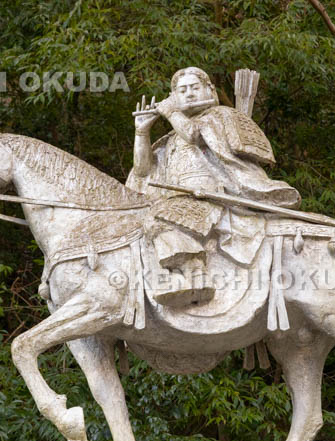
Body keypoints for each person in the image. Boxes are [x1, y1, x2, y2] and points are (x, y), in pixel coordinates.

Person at [127, 67, 300, 306]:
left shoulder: (219, 116)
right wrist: (141, 132)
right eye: (182, 90)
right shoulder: (171, 136)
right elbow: (142, 169)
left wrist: (170, 112)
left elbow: (193, 135)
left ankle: (196, 275)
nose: (188, 95)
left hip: (209, 196)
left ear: (210, 89)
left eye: (194, 88)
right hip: (177, 197)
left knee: (158, 219)